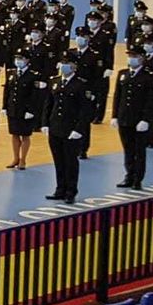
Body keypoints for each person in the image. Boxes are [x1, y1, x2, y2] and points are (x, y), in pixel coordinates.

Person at [42, 54, 94, 204]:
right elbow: (48, 104)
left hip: (71, 129)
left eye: (67, 62)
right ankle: (60, 189)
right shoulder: (54, 81)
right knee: (58, 160)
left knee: (70, 161)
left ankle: (71, 191)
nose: (63, 65)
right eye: (62, 62)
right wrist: (45, 123)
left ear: (74, 66)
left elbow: (85, 110)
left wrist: (79, 129)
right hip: (55, 127)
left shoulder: (81, 84)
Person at [112, 47, 153, 190]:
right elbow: (117, 96)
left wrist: (146, 119)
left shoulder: (149, 76)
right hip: (124, 118)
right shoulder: (123, 74)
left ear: (141, 58)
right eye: (130, 55)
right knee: (128, 149)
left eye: (134, 56)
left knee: (139, 151)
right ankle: (129, 175)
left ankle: (137, 179)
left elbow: (151, 101)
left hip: (139, 120)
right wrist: (114, 116)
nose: (131, 58)